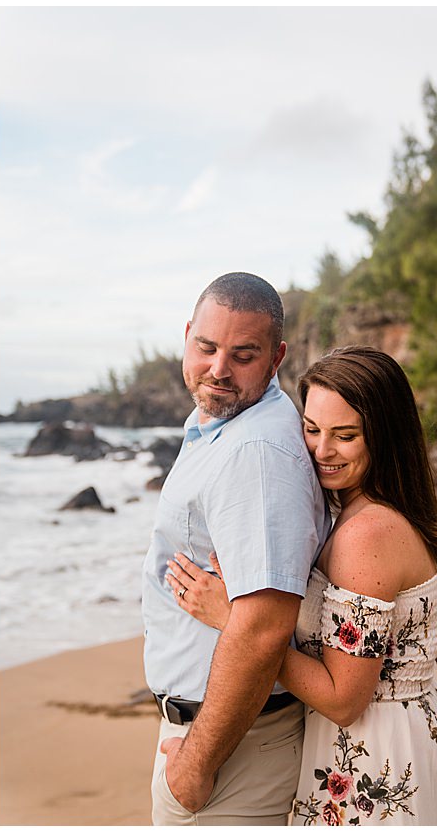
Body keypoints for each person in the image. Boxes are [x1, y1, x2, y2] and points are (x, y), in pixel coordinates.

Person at [167, 346, 437, 825]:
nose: (321, 450)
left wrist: (236, 620)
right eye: (312, 429)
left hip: (374, 759)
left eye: (346, 436)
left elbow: (344, 699)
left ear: (385, 437)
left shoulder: (367, 534)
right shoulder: (364, 511)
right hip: (401, 736)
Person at [144, 272, 327, 824]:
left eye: (243, 354)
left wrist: (196, 765)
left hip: (232, 753)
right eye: (206, 347)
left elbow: (266, 624)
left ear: (277, 358)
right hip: (219, 735)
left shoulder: (258, 452)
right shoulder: (216, 424)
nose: (219, 369)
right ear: (187, 337)